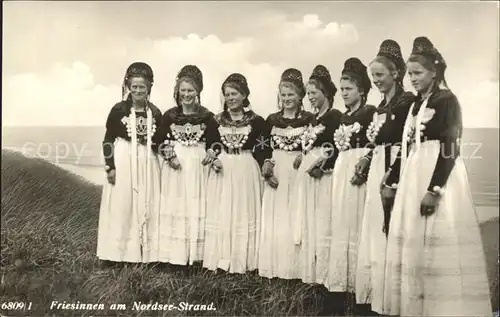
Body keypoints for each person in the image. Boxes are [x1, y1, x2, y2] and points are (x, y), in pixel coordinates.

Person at [381, 37, 492, 316]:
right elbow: (406, 146)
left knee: (436, 240)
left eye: (418, 73)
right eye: (410, 73)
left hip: (436, 175)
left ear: (434, 72)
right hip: (412, 173)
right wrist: (392, 180)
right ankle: (416, 307)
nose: (413, 78)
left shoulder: (447, 101)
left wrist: (434, 189)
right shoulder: (416, 105)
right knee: (414, 242)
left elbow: (450, 148)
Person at [354, 39, 415, 314]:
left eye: (379, 75)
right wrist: (367, 157)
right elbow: (376, 141)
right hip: (379, 163)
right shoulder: (378, 108)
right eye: (372, 76)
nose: (375, 81)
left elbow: (407, 142)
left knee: (392, 226)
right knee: (377, 227)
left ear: (396, 73)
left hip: (396, 167)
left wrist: (393, 176)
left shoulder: (407, 103)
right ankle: (378, 297)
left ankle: (396, 299)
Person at [203, 73, 271, 274]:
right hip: (223, 167)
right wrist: (214, 156)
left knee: (244, 210)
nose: (230, 98)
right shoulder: (216, 121)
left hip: (246, 167)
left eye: (234, 94)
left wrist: (266, 163)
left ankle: (244, 262)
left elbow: (263, 147)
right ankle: (222, 260)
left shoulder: (257, 122)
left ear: (244, 95)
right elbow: (212, 143)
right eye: (227, 95)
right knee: (223, 210)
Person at [324, 57, 377, 315]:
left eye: (349, 89)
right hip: (342, 168)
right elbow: (336, 148)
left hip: (358, 169)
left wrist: (365, 163)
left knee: (357, 223)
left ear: (362, 91)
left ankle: (361, 291)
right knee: (342, 222)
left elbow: (376, 143)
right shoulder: (343, 117)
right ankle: (339, 287)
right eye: (342, 89)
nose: (344, 94)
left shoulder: (370, 113)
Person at [97, 62, 163, 263]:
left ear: (149, 87)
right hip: (124, 158)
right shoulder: (119, 110)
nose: (137, 91)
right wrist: (110, 166)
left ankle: (146, 253)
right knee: (123, 203)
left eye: (142, 87)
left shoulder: (156, 112)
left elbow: (159, 140)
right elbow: (108, 139)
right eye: (134, 86)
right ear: (128, 87)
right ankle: (118, 253)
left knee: (147, 201)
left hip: (147, 162)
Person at [158, 65, 222, 266]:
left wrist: (212, 152)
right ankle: (174, 256)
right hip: (176, 166)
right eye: (183, 90)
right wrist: (169, 156)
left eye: (190, 90)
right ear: (177, 91)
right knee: (176, 205)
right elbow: (157, 141)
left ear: (198, 92)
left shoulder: (207, 116)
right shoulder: (169, 116)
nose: (186, 95)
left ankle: (196, 256)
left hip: (197, 165)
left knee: (196, 205)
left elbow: (216, 142)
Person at [258, 68, 315, 280]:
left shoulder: (309, 119)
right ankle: (276, 268)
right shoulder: (271, 120)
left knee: (296, 215)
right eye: (283, 95)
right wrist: (266, 164)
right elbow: (262, 145)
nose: (286, 99)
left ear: (300, 95)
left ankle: (296, 269)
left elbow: (315, 141)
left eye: (291, 94)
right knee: (277, 217)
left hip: (299, 170)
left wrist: (305, 153)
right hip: (278, 171)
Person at [290, 65, 342, 285]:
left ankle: (325, 274)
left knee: (323, 219)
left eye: (314, 93)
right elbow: (309, 143)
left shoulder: (335, 116)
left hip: (324, 174)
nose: (310, 98)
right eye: (308, 93)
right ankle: (310, 273)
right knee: (309, 219)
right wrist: (303, 155)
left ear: (326, 93)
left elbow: (338, 145)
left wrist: (324, 164)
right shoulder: (311, 120)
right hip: (308, 172)